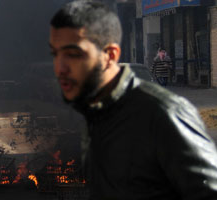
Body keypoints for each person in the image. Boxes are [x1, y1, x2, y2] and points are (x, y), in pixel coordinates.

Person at [49, 1, 217, 199]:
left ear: (110, 56)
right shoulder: (95, 113)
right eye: (56, 54)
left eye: (73, 54)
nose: (60, 67)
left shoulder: (164, 113)